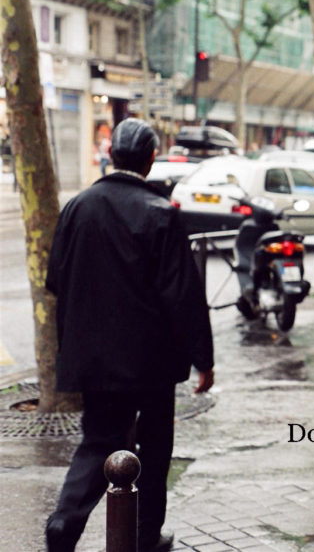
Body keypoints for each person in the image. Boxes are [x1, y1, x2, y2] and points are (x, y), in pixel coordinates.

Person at [45, 118, 215, 552]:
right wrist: (204, 358)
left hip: (94, 358)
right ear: (151, 159)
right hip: (151, 362)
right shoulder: (160, 214)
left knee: (97, 441)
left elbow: (55, 282)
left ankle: (64, 524)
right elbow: (184, 296)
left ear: (111, 155)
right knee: (155, 449)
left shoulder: (77, 207)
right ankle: (144, 536)